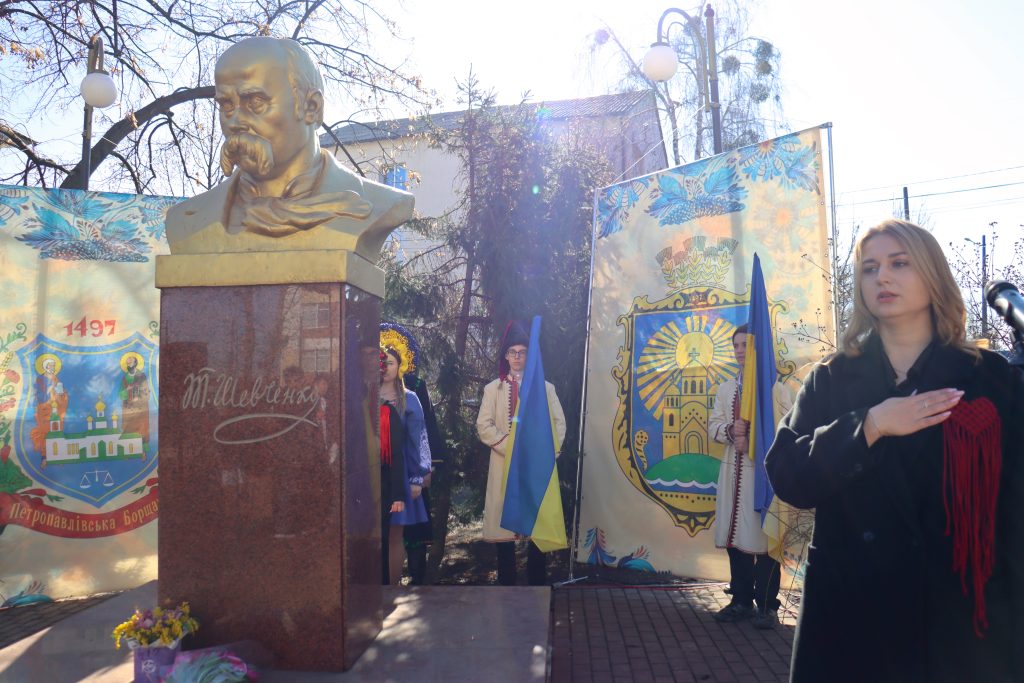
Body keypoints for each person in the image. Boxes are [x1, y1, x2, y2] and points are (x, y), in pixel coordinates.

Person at [765, 219, 1024, 682]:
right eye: (870, 268)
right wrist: (869, 426)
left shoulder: (990, 377)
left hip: (962, 629)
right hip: (853, 624)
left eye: (899, 263)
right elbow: (787, 475)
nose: (882, 277)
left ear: (933, 275)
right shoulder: (831, 379)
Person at [165, 36, 413, 262]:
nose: (235, 121)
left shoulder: (379, 204)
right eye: (226, 105)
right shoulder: (185, 221)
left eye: (255, 101)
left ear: (311, 107)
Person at [709, 324, 792, 629]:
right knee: (736, 540)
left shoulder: (776, 389)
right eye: (736, 346)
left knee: (766, 538)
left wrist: (756, 437)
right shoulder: (725, 389)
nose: (740, 351)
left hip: (764, 475)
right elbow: (713, 425)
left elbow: (789, 429)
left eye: (745, 345)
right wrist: (731, 430)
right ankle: (741, 601)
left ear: (758, 349)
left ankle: (767, 606)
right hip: (732, 474)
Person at [475, 322, 566, 585]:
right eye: (512, 352)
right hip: (503, 464)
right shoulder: (493, 389)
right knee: (504, 528)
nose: (517, 357)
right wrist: (511, 447)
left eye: (522, 352)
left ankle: (537, 586)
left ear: (529, 355)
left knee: (537, 522)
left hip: (535, 468)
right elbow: (484, 425)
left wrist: (541, 454)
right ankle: (507, 588)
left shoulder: (545, 388)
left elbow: (558, 423)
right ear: (505, 355)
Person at [381, 321, 443, 585]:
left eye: (390, 363)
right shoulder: (364, 396)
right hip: (372, 474)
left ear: (400, 365)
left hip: (401, 473)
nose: (385, 367)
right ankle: (372, 591)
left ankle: (392, 589)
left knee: (395, 534)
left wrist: (417, 477)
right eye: (381, 362)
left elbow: (419, 439)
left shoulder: (411, 398)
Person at [118, 352, 150, 444]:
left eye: (130, 363)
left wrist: (138, 398)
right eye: (127, 363)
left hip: (140, 407)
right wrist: (126, 390)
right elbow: (120, 394)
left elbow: (146, 391)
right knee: (129, 430)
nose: (129, 365)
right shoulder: (125, 378)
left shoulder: (141, 376)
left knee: (141, 429)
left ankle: (142, 448)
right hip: (128, 407)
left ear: (135, 363)